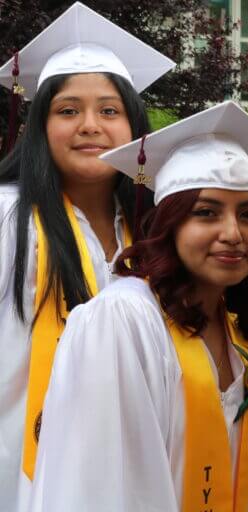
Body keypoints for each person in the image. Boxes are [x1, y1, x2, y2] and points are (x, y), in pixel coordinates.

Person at [26, 101, 248, 511]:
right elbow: (102, 487)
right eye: (206, 212)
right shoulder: (122, 322)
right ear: (170, 225)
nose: (233, 233)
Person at [0, 3, 174, 509]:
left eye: (109, 110)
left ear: (134, 127)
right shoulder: (10, 217)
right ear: (40, 126)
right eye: (68, 110)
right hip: (16, 467)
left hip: (130, 466)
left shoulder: (151, 233)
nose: (90, 125)